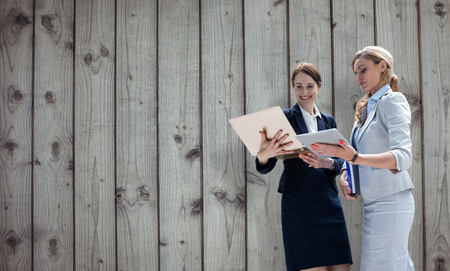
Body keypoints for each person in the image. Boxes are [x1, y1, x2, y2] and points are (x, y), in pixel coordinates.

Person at [313, 46, 415, 270]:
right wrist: (344, 174)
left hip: (392, 200)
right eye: (356, 73)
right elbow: (355, 156)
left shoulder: (393, 101)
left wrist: (356, 158)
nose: (358, 77)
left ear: (382, 66)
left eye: (363, 70)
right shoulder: (365, 108)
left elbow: (403, 157)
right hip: (372, 203)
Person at [256, 63, 352, 271]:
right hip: (298, 202)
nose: (304, 92)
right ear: (293, 87)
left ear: (318, 87)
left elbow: (343, 160)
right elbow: (265, 166)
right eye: (298, 86)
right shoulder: (282, 119)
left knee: (341, 267)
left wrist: (328, 163)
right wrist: (263, 156)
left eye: (309, 86)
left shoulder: (328, 121)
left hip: (327, 200)